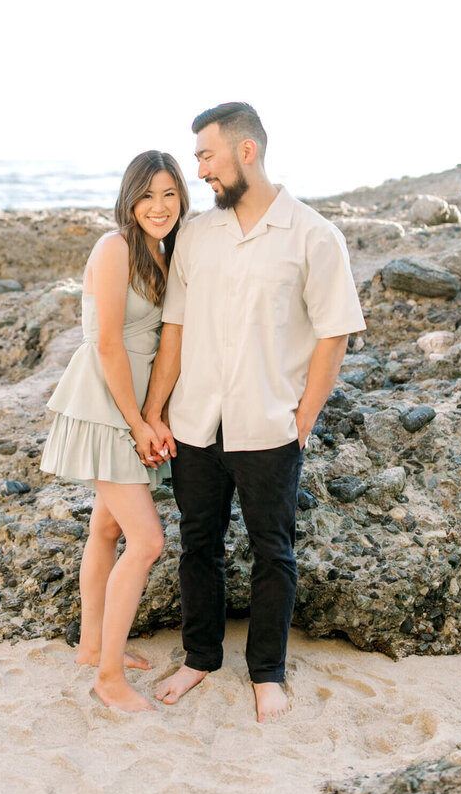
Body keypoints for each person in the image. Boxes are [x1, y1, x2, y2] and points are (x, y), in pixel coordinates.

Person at [141, 103, 366, 723]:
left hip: (268, 424)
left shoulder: (314, 235)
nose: (200, 170)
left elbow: (334, 333)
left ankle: (268, 674)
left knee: (275, 552)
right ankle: (199, 659)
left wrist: (305, 419)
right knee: (198, 548)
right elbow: (175, 329)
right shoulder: (195, 234)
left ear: (246, 151)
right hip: (194, 423)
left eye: (207, 156)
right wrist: (154, 413)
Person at [40, 150, 190, 713]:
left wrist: (158, 416)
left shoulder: (165, 252)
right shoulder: (114, 247)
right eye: (147, 195)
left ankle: (90, 645)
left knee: (106, 529)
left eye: (170, 194)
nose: (159, 206)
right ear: (129, 199)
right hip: (106, 404)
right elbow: (107, 343)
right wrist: (138, 423)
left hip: (134, 409)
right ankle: (108, 678)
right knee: (147, 542)